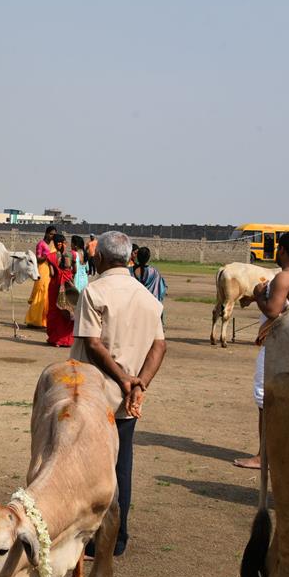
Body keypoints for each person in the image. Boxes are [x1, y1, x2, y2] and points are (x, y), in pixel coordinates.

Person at [70, 231, 167, 558]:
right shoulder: (149, 299)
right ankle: (117, 538)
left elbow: (92, 344)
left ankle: (89, 535)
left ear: (99, 259)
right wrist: (140, 383)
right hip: (128, 402)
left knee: (88, 469)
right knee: (120, 467)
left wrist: (125, 379)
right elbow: (159, 345)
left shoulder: (94, 292)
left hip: (95, 396)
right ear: (128, 258)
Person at [233, 232, 289, 470]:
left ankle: (263, 457)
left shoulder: (284, 277)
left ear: (282, 250)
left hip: (279, 345)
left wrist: (260, 295)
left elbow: (273, 311)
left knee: (265, 399)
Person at [45, 234, 75, 347]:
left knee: (55, 311)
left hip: (55, 286)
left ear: (54, 243)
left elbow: (52, 273)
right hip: (67, 284)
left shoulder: (51, 256)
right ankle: (66, 340)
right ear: (64, 243)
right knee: (67, 310)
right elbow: (73, 271)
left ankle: (55, 339)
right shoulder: (70, 255)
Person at [24, 225, 56, 328]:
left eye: (54, 235)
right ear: (46, 233)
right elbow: (38, 259)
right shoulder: (41, 244)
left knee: (47, 295)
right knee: (40, 292)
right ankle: (33, 319)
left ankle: (44, 320)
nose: (52, 236)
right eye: (51, 234)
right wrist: (47, 256)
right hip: (42, 269)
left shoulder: (53, 246)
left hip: (49, 271)